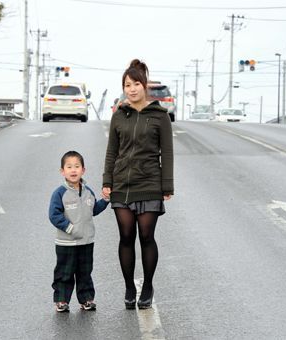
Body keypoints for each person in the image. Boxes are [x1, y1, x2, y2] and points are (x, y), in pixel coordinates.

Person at [102, 59, 174, 310]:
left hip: (150, 182)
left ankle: (148, 286)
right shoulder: (119, 116)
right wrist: (107, 181)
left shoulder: (160, 116)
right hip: (122, 184)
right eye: (126, 85)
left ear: (144, 86)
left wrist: (167, 185)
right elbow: (112, 151)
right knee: (125, 236)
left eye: (135, 84)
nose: (131, 89)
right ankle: (129, 287)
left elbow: (168, 152)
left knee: (146, 236)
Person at [49, 151, 110, 312]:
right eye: (69, 167)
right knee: (65, 272)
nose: (73, 170)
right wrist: (70, 228)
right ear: (62, 171)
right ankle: (61, 300)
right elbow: (54, 215)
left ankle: (86, 299)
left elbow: (93, 210)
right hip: (66, 242)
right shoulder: (60, 193)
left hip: (86, 241)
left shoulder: (88, 191)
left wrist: (105, 201)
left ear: (83, 170)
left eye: (77, 166)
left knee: (85, 272)